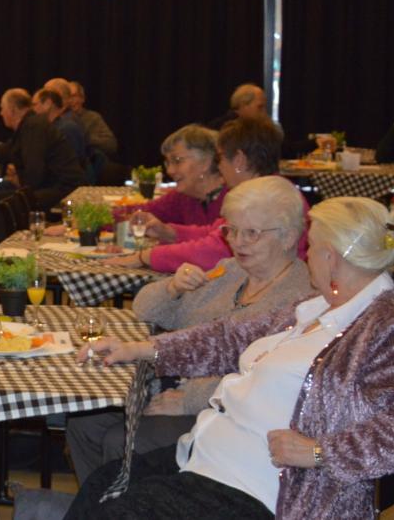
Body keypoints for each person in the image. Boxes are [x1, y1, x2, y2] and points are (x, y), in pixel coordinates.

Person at [67, 197, 394, 520]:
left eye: (310, 247)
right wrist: (138, 350)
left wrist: (320, 452)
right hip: (208, 457)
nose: (306, 255)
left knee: (121, 512)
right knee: (101, 485)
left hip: (262, 489)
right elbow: (229, 338)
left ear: (331, 257)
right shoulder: (316, 307)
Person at [64, 176, 314, 484]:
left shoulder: (300, 296)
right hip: (172, 385)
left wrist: (190, 399)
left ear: (289, 236)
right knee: (84, 425)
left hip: (229, 413)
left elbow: (265, 379)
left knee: (123, 440)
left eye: (251, 233)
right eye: (231, 230)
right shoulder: (231, 271)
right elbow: (145, 309)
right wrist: (172, 288)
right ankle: (103, 507)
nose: (237, 242)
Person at [103, 119, 305, 272]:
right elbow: (217, 233)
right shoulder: (268, 191)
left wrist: (145, 256)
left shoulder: (267, 199)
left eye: (221, 158)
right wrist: (170, 233)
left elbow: (217, 249)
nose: (219, 166)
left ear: (240, 160)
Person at [0, 88, 84, 242]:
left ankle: (9, 244)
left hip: (63, 190)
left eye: (2, 108)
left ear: (12, 110)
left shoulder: (33, 127)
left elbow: (35, 173)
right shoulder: (29, 124)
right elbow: (6, 150)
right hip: (52, 184)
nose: (1, 113)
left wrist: (18, 181)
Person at [110, 124, 226, 228]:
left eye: (177, 160)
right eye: (168, 163)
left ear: (205, 162)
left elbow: (216, 243)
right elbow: (140, 212)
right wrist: (98, 217)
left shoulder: (233, 200)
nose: (170, 171)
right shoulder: (183, 197)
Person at [33, 87, 89, 176]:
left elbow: (69, 168)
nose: (33, 109)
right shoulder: (55, 128)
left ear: (48, 104)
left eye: (35, 104)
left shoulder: (67, 129)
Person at [65, 80, 118, 159]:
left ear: (82, 98)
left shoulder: (93, 118)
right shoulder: (61, 118)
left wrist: (87, 139)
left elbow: (111, 145)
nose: (71, 101)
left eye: (74, 96)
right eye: (68, 97)